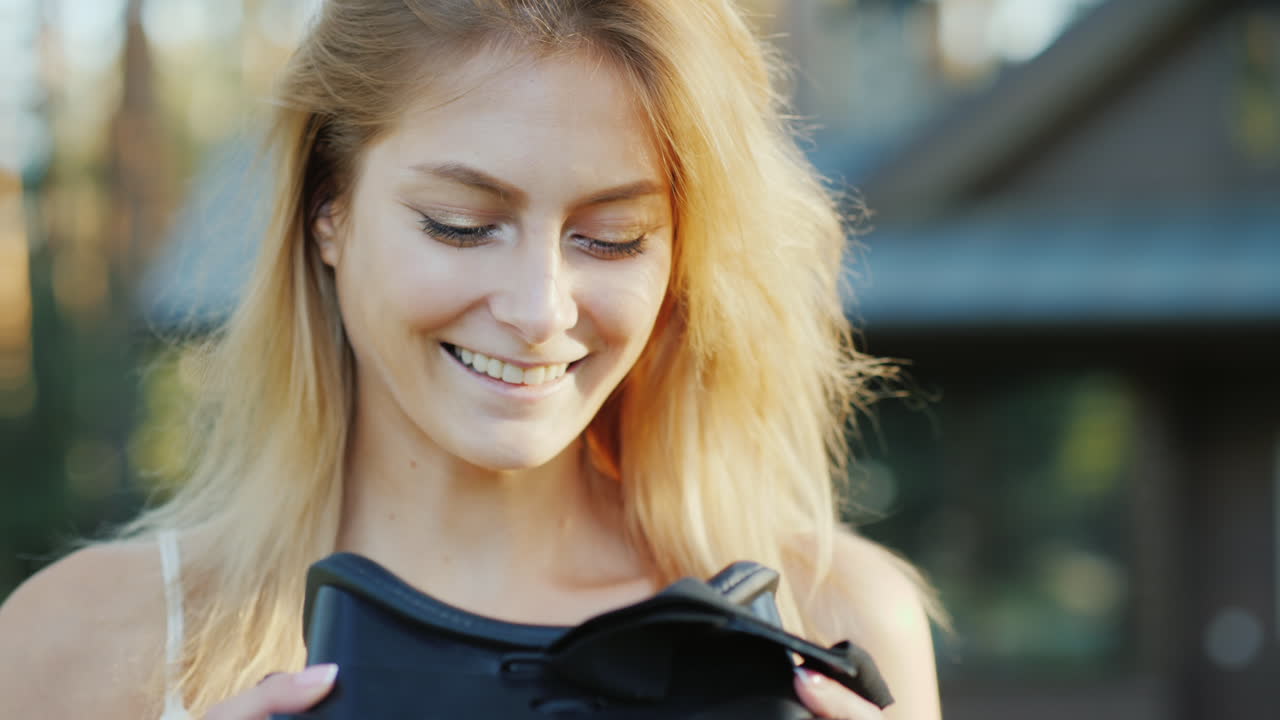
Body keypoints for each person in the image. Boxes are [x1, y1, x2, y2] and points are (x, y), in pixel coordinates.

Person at [0, 1, 942, 718]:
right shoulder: (84, 646)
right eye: (462, 225)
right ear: (330, 209)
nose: (538, 311)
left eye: (613, 238)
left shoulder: (835, 620)